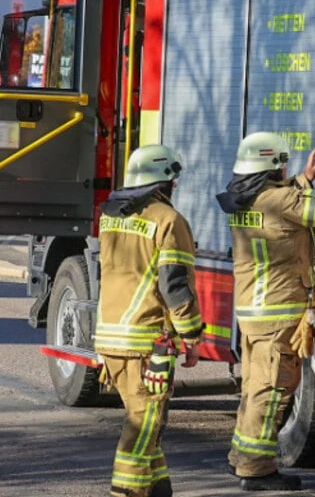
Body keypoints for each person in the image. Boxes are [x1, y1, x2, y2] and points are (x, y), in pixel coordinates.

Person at [215, 134, 315, 491]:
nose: (285, 169)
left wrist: (302, 182)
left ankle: (242, 458)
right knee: (272, 392)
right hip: (277, 315)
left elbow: (283, 214)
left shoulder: (245, 200)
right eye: (281, 165)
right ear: (270, 166)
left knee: (255, 389)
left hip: (254, 314)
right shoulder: (280, 200)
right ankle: (257, 471)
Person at [95, 144, 203, 497]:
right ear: (164, 182)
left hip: (111, 339)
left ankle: (159, 489)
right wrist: (191, 335)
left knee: (149, 423)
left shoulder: (111, 215)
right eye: (174, 179)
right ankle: (125, 492)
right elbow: (174, 285)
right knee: (143, 426)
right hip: (145, 342)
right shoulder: (168, 221)